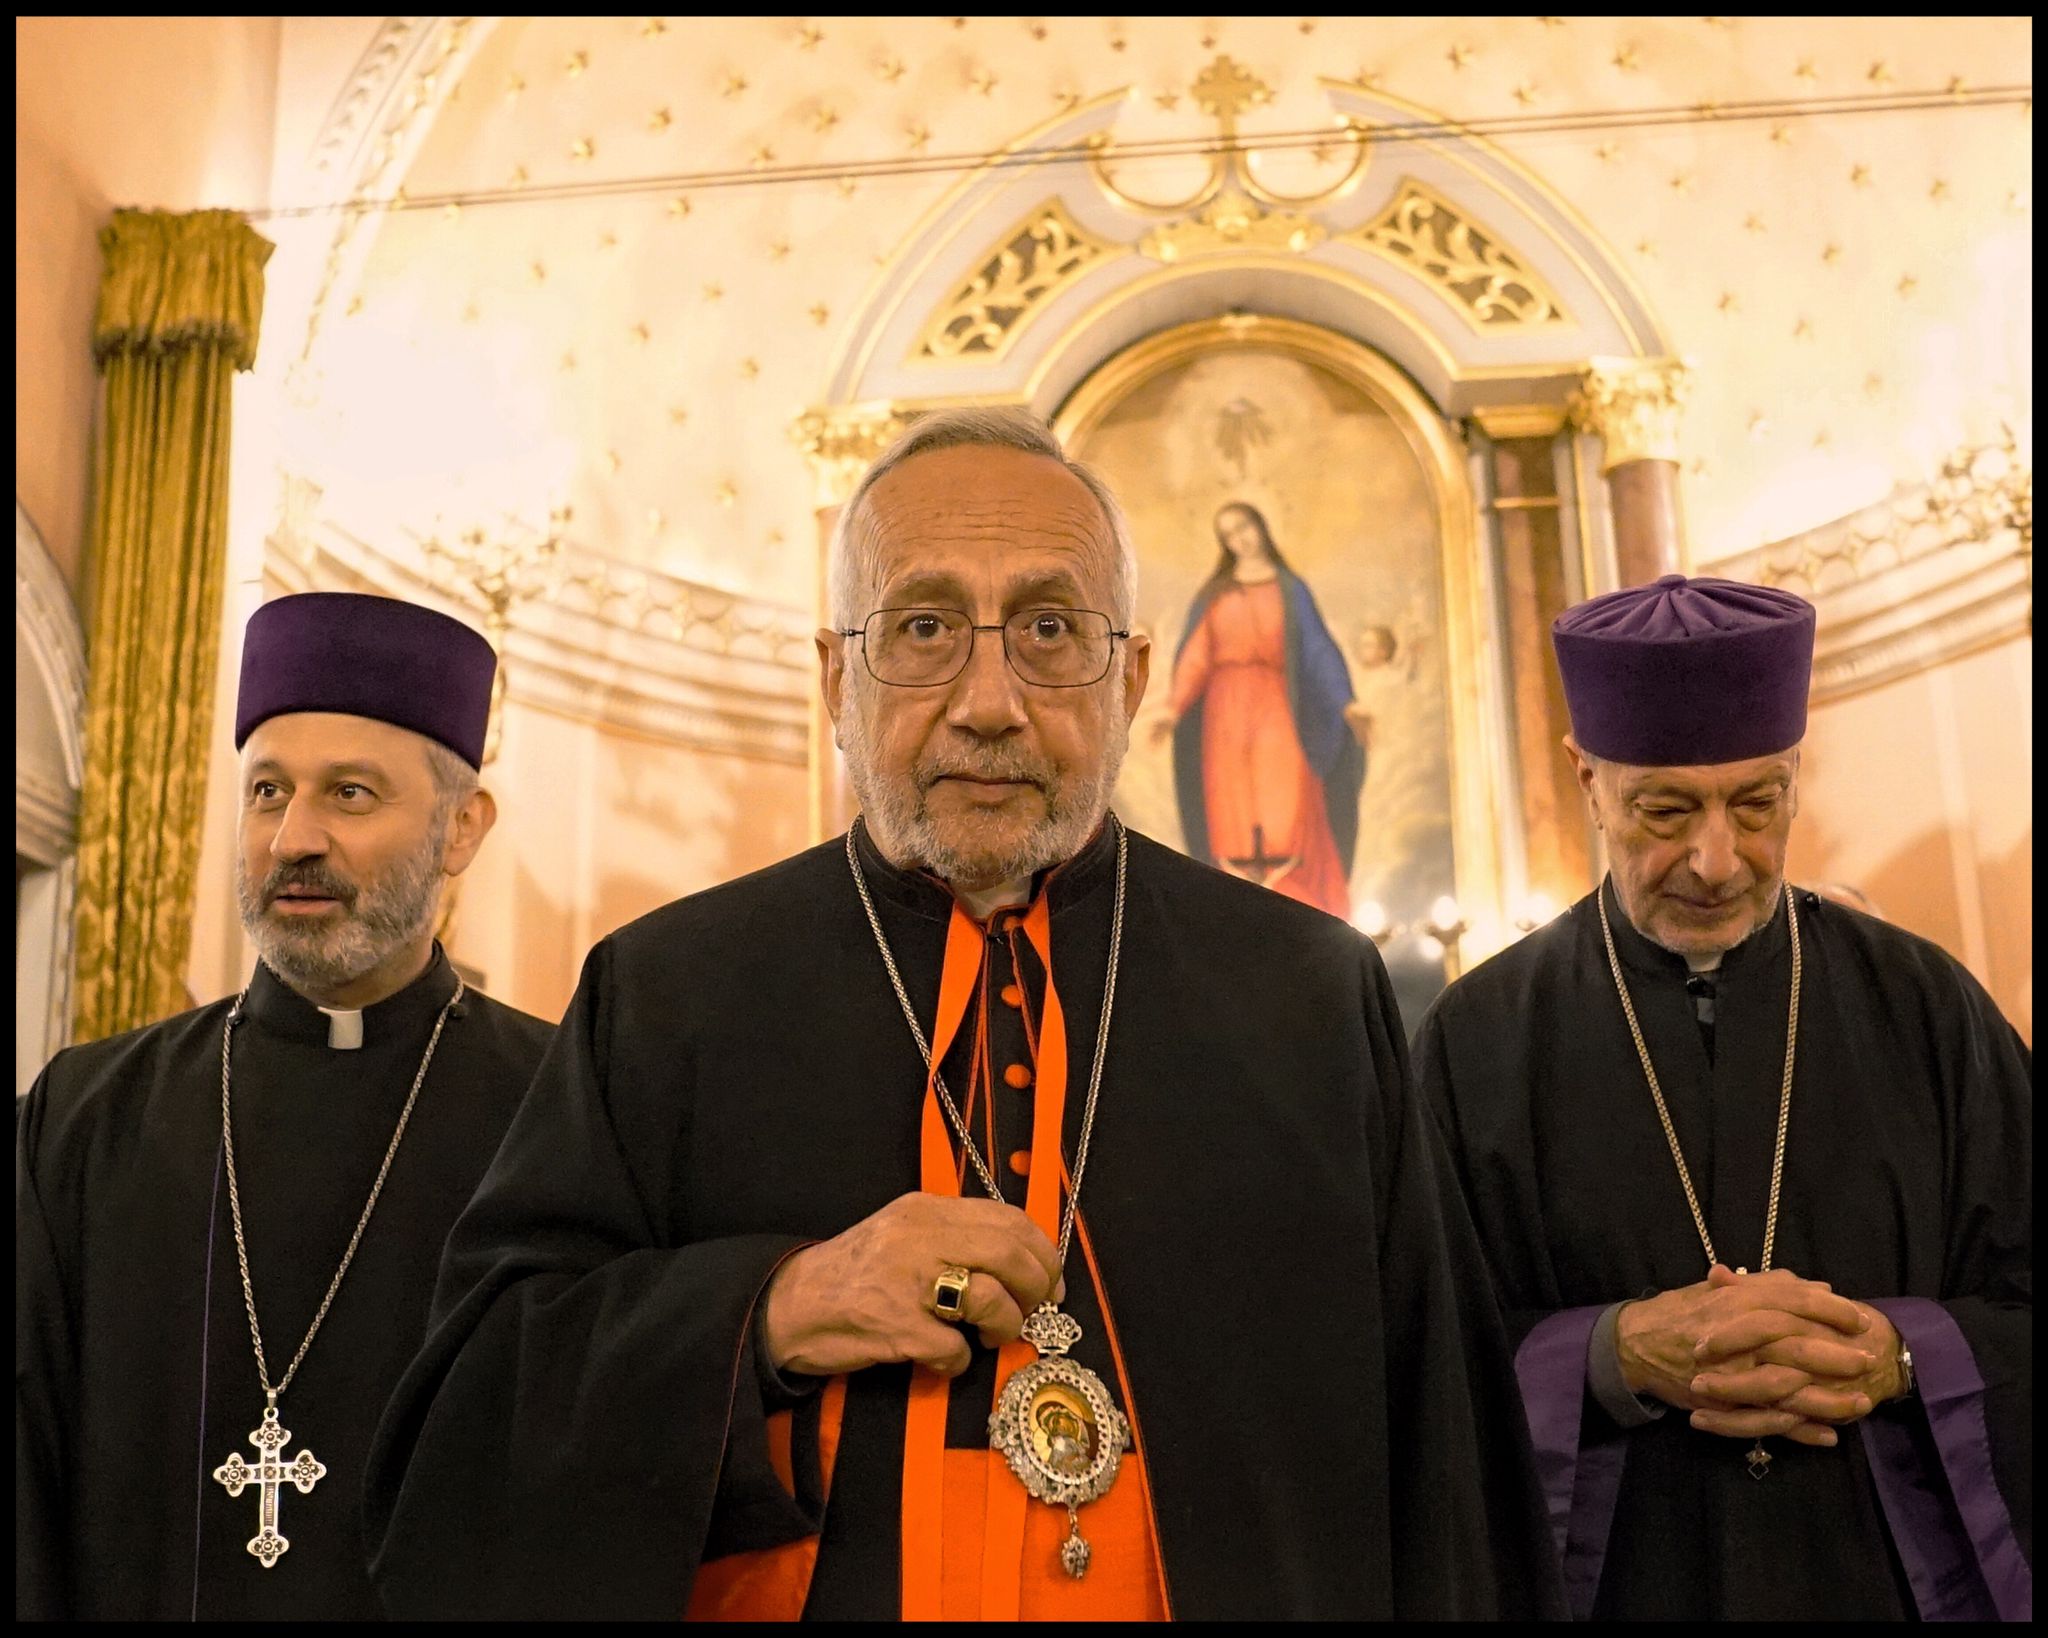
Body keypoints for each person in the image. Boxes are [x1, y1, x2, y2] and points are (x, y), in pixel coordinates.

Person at [364, 409, 1563, 1621]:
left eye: (1048, 629)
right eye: (924, 628)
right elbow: (478, 1416)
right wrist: (775, 1309)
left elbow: (1442, 1474)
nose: (987, 701)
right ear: (837, 679)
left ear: (1134, 678)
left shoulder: (1305, 993)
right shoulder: (669, 992)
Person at [1414, 574, 2032, 1621]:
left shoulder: (1923, 1008)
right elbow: (1417, 1354)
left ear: (1794, 778)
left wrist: (1895, 1353)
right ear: (1587, 781)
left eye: (1755, 805)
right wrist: (1606, 1357)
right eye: (1664, 809)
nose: (1714, 860)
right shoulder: (1477, 1040)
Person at [15, 592, 554, 1621]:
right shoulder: (84, 1116)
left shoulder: (559, 1113)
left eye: (349, 795)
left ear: (461, 830)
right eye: (267, 792)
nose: (292, 837)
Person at [1149, 501, 1364, 918]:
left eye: (1243, 527)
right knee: (1232, 809)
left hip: (1277, 708)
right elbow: (1197, 655)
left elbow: (1318, 650)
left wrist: (1347, 703)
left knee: (1283, 803)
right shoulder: (1216, 594)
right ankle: (1237, 913)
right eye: (1229, 534)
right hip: (1224, 717)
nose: (1240, 539)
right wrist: (1173, 710)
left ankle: (1297, 911)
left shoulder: (1289, 588)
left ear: (1260, 526)